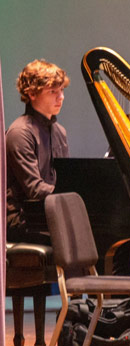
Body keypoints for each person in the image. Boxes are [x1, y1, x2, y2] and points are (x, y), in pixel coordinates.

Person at [6, 59, 70, 245]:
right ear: (32, 93)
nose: (61, 97)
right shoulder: (20, 132)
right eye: (53, 91)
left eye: (61, 90)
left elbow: (62, 179)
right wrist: (70, 197)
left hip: (48, 213)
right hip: (23, 219)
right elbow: (34, 189)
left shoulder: (60, 132)